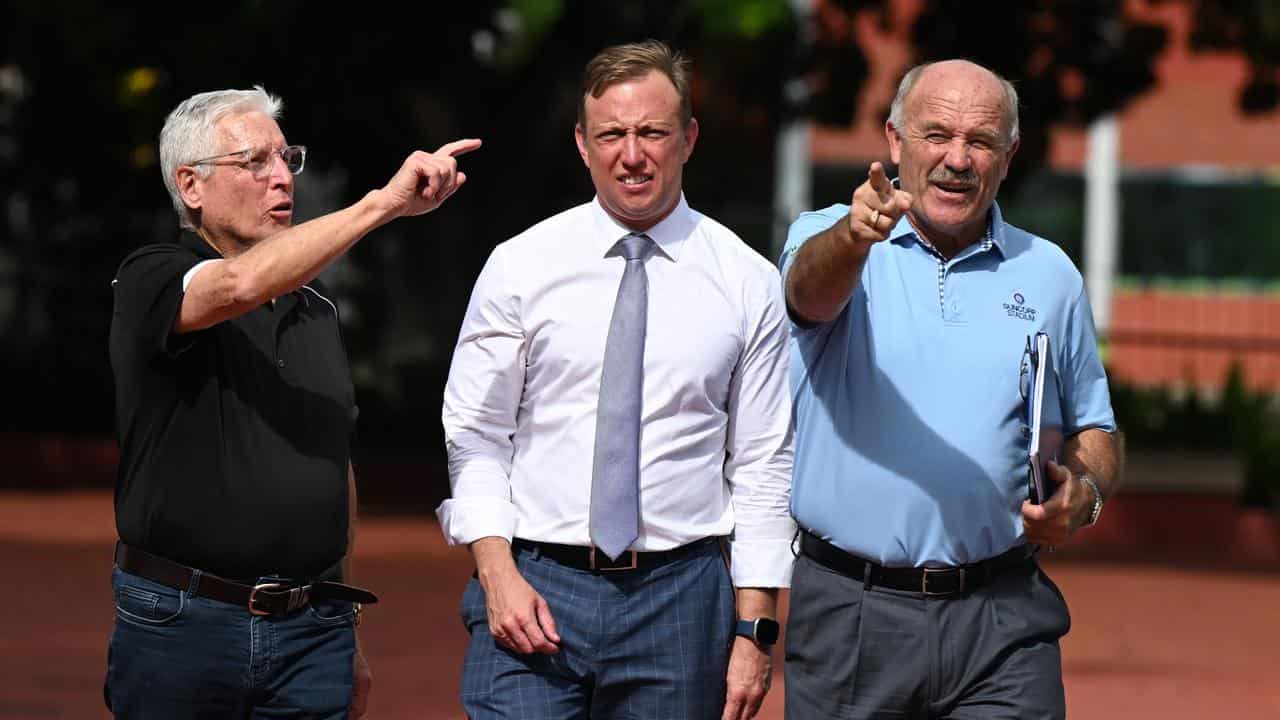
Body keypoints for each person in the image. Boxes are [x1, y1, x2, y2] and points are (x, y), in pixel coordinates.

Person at [438, 40, 794, 720]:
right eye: (612, 134)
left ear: (687, 137)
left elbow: (763, 463)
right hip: (535, 585)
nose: (632, 154)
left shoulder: (747, 282)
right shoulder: (521, 267)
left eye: (652, 132)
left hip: (681, 597)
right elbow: (477, 434)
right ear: (583, 142)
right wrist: (497, 573)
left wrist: (754, 630)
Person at [106, 85, 478, 718]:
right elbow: (238, 283)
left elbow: (332, 466)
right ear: (190, 186)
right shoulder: (154, 276)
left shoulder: (318, 312)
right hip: (183, 622)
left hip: (313, 633)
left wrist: (346, 628)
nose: (281, 179)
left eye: (287, 159)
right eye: (255, 162)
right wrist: (382, 205)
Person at [780, 59, 1122, 719]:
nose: (957, 159)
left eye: (980, 141)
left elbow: (1095, 429)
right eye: (936, 134)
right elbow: (806, 297)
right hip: (853, 611)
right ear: (894, 140)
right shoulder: (830, 238)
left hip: (1003, 618)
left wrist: (1087, 492)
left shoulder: (1051, 274)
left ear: (1010, 155)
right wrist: (854, 238)